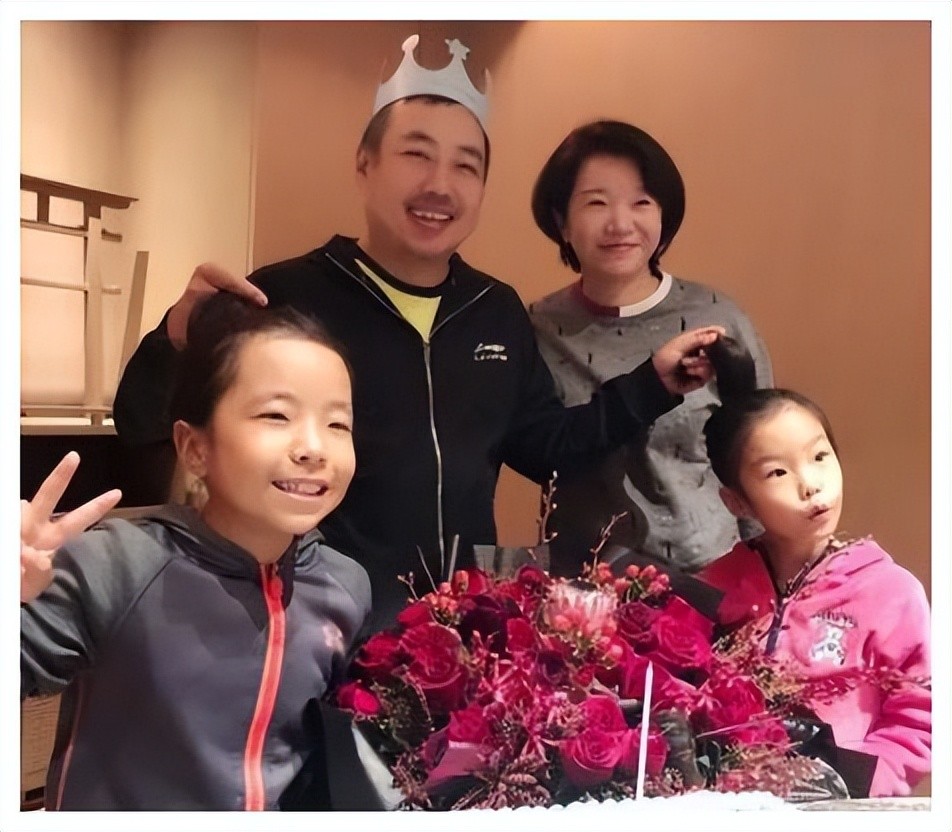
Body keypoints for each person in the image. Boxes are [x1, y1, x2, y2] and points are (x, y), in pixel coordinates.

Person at [113, 36, 724, 634]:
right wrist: (175, 338)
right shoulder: (286, 298)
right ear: (365, 165)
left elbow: (546, 447)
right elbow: (140, 423)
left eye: (465, 165)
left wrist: (652, 385)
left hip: (454, 633)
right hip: (312, 626)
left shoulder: (494, 309)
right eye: (416, 154)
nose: (440, 184)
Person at [21, 293, 372, 810]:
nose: (314, 448)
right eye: (277, 415)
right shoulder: (119, 565)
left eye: (337, 424)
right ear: (194, 448)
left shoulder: (345, 586)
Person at [529, 119, 773, 576]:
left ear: (664, 216)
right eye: (596, 203)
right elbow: (540, 452)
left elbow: (760, 453)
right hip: (587, 587)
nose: (620, 224)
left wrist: (765, 574)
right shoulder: (538, 329)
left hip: (712, 575)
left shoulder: (717, 319)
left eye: (641, 202)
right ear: (562, 221)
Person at [698, 384, 931, 797]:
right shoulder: (711, 589)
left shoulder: (891, 593)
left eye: (820, 457)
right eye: (778, 473)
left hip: (842, 809)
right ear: (737, 502)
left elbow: (920, 716)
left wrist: (860, 781)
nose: (810, 484)